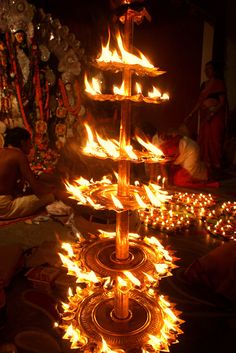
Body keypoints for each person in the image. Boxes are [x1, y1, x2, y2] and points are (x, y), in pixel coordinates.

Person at [0, 127, 56, 219]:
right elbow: (38, 189)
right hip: (3, 208)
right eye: (30, 142)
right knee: (50, 196)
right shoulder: (18, 155)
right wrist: (52, 189)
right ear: (22, 142)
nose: (31, 146)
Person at [186, 60, 228, 174]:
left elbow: (222, 102)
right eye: (205, 69)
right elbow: (200, 102)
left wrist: (213, 112)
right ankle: (205, 165)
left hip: (215, 117)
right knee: (203, 139)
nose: (206, 71)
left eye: (209, 68)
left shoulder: (219, 83)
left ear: (214, 70)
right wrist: (191, 114)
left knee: (214, 140)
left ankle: (216, 165)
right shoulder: (204, 85)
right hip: (205, 116)